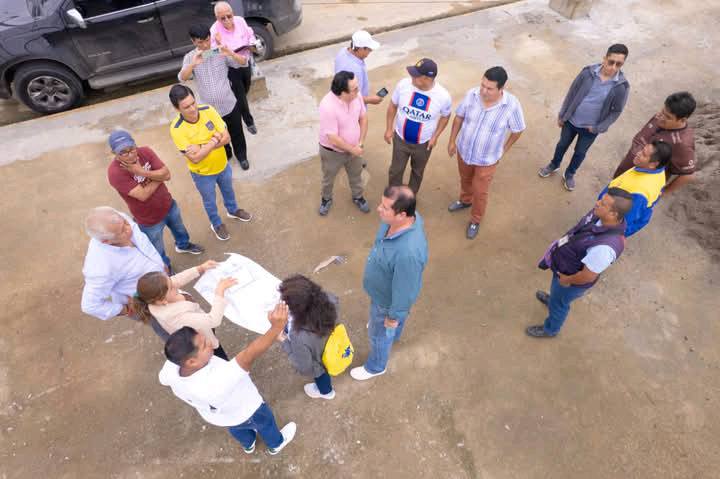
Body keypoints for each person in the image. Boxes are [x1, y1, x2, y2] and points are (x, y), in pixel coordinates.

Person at [159, 305, 297, 455]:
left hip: (221, 417)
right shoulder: (217, 380)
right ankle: (276, 444)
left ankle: (248, 444)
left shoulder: (171, 370)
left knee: (236, 429)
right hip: (248, 410)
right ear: (191, 362)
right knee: (265, 422)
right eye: (204, 345)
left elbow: (163, 379)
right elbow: (249, 354)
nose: (210, 342)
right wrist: (276, 328)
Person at [526, 188, 633, 338]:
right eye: (601, 200)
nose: (597, 203)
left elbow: (587, 276)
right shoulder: (599, 215)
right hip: (565, 266)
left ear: (613, 214)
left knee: (559, 305)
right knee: (556, 296)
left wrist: (566, 280)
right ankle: (552, 299)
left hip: (570, 280)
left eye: (603, 203)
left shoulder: (605, 248)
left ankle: (550, 329)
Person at [350, 186, 428, 381]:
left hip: (386, 301)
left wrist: (393, 317)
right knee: (389, 329)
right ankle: (394, 333)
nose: (378, 209)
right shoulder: (401, 220)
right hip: (381, 289)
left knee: (379, 335)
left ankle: (376, 366)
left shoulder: (408, 254)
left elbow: (405, 291)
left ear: (402, 215)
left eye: (385, 207)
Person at [447, 66, 526, 239]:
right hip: (464, 151)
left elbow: (518, 129)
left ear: (501, 88)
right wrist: (452, 141)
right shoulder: (472, 94)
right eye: (482, 85)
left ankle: (475, 219)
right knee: (465, 179)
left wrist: (504, 149)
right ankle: (465, 200)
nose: (483, 91)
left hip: (487, 160)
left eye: (489, 88)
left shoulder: (511, 105)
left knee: (480, 191)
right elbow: (459, 117)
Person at [106, 130, 204, 270]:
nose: (131, 154)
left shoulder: (145, 152)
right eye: (123, 152)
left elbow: (167, 175)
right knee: (157, 248)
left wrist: (141, 172)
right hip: (148, 219)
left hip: (168, 204)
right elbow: (143, 195)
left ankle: (183, 245)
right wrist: (159, 176)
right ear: (114, 153)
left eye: (132, 149)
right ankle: (165, 267)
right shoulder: (115, 172)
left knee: (180, 229)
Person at [538, 44, 630, 191]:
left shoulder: (621, 86)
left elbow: (616, 111)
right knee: (562, 144)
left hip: (590, 129)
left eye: (618, 64)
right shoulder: (587, 73)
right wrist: (563, 115)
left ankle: (570, 174)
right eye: (611, 62)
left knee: (580, 153)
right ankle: (554, 164)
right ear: (604, 58)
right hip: (571, 121)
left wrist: (599, 127)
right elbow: (572, 92)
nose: (613, 67)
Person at [169, 84, 252, 241]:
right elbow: (195, 158)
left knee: (228, 191)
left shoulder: (208, 110)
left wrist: (201, 147)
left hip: (222, 165)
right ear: (177, 109)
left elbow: (226, 138)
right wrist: (214, 139)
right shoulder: (177, 129)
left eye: (193, 103)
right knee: (210, 202)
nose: (193, 109)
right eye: (186, 107)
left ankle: (232, 210)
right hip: (203, 174)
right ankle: (216, 223)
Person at [80, 206, 168, 339]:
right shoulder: (100, 267)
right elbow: (90, 305)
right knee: (166, 326)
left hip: (162, 281)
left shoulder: (117, 220)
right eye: (122, 231)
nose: (129, 228)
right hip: (147, 301)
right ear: (106, 241)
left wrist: (160, 265)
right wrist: (126, 309)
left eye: (126, 222)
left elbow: (143, 243)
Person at [178, 23, 250, 170]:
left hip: (229, 104)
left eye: (207, 40)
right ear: (193, 41)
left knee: (237, 132)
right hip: (209, 111)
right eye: (200, 42)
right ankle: (227, 155)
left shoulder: (220, 51)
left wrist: (230, 52)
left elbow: (244, 62)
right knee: (217, 136)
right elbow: (182, 78)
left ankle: (242, 156)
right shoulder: (190, 57)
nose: (205, 45)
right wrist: (192, 65)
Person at [133, 260, 237, 360]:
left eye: (170, 280)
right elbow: (213, 320)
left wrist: (200, 268)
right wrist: (220, 291)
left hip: (200, 324)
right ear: (162, 300)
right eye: (171, 287)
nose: (175, 284)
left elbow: (177, 279)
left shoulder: (161, 294)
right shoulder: (177, 317)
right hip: (203, 343)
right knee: (218, 357)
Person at [384, 58, 452, 194]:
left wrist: (435, 137)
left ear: (427, 78)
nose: (411, 77)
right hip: (401, 139)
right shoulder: (403, 85)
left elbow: (446, 116)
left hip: (423, 144)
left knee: (417, 172)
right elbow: (392, 106)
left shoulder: (443, 96)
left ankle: (410, 196)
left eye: (415, 75)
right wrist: (389, 128)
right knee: (396, 170)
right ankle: (393, 195)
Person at [612, 91, 697, 195]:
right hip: (623, 174)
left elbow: (688, 176)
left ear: (682, 120)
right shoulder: (659, 117)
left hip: (637, 189)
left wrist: (663, 192)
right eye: (662, 111)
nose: (661, 117)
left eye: (668, 117)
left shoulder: (682, 144)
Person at [276, 275, 339, 400]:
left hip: (319, 359)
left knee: (320, 372)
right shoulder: (331, 299)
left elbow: (305, 368)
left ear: (295, 311)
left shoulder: (297, 336)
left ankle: (326, 392)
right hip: (332, 342)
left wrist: (283, 340)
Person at [317, 71, 370, 216]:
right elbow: (333, 138)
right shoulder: (327, 106)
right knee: (328, 177)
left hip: (355, 148)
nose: (358, 91)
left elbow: (363, 118)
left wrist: (360, 143)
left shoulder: (357, 96)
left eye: (357, 86)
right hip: (332, 152)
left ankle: (358, 196)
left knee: (356, 175)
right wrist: (353, 150)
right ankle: (326, 199)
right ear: (343, 92)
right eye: (354, 89)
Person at [598, 139, 672, 237]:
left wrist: (602, 234)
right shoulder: (656, 170)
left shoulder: (640, 193)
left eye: (643, 154)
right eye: (642, 150)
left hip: (605, 221)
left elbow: (623, 222)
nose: (638, 153)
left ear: (653, 164)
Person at [210, 1, 257, 134]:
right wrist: (219, 46)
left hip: (244, 61)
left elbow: (250, 35)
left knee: (246, 88)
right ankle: (249, 121)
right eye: (222, 18)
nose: (226, 20)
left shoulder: (240, 21)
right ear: (217, 18)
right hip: (230, 68)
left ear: (232, 13)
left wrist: (252, 44)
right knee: (241, 95)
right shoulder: (214, 30)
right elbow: (209, 53)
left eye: (229, 16)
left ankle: (238, 104)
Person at [334, 30, 384, 105]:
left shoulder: (342, 51)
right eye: (369, 49)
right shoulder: (355, 70)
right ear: (361, 49)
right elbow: (351, 100)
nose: (370, 52)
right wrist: (370, 100)